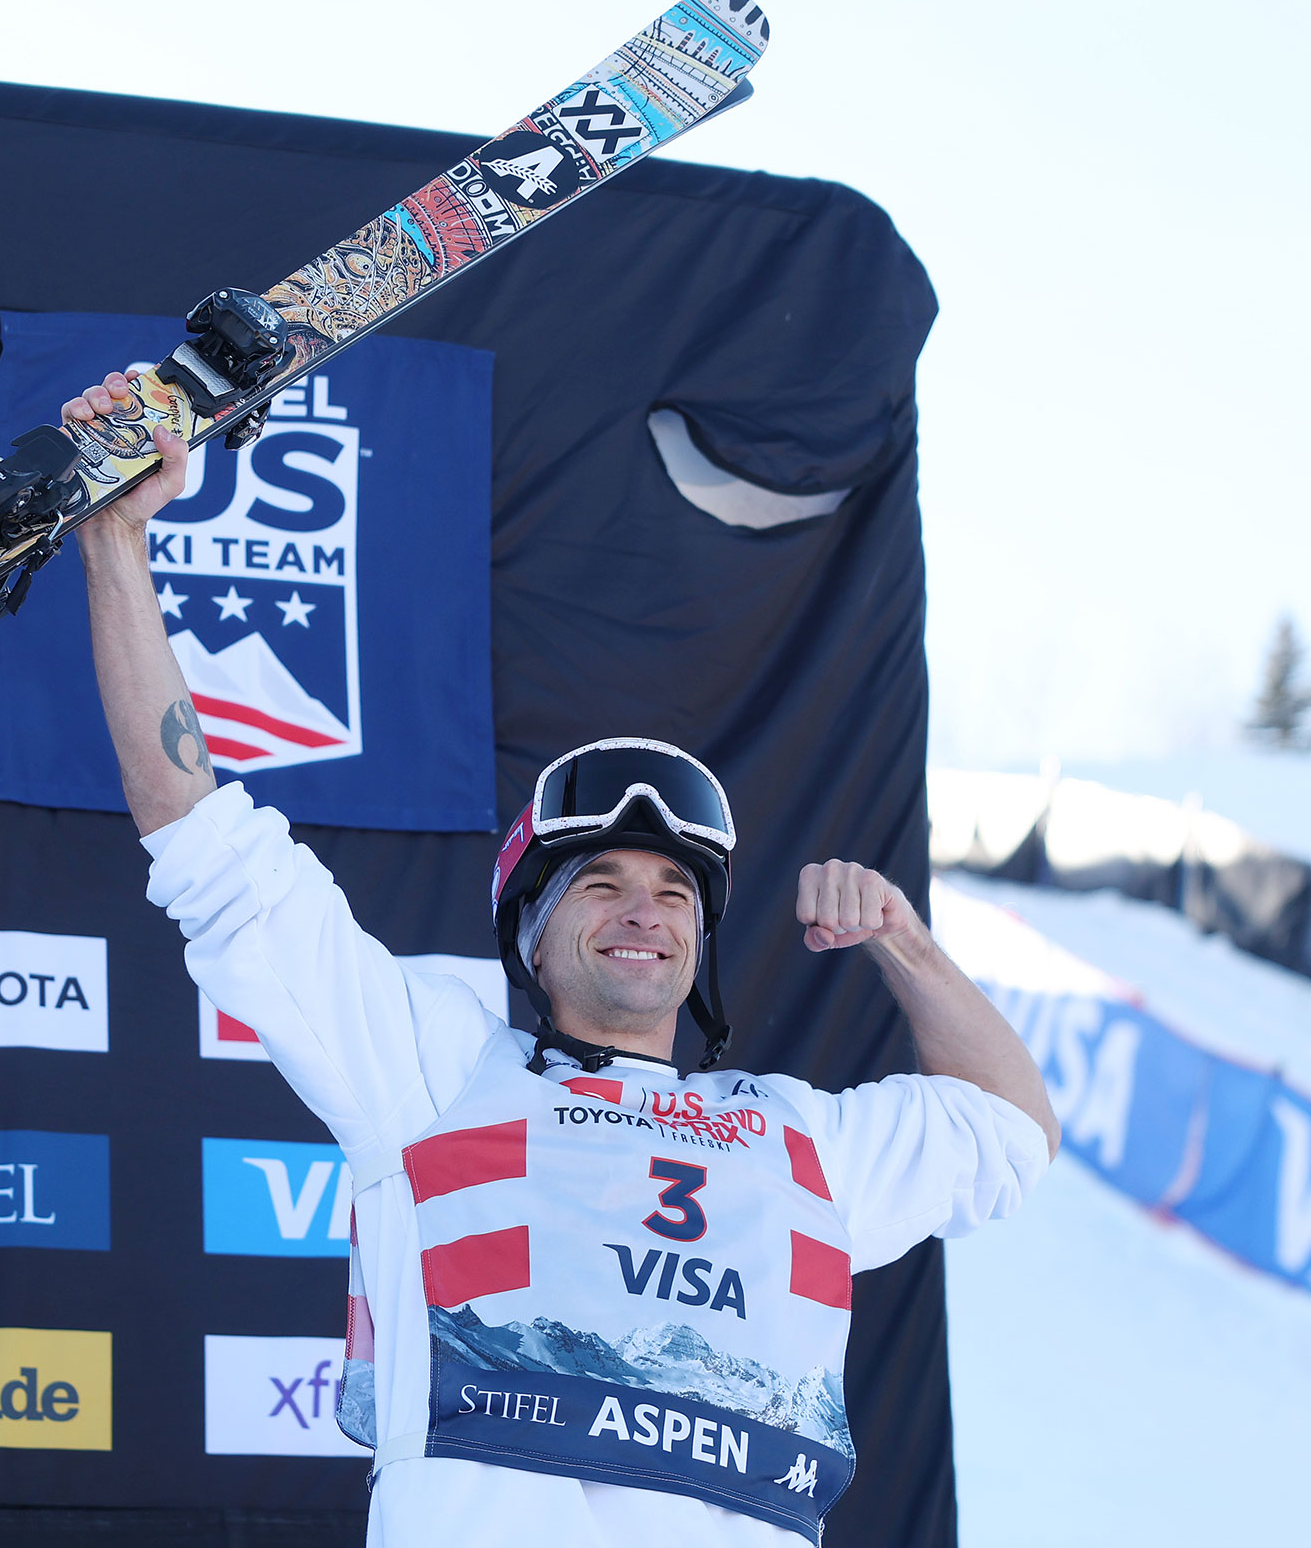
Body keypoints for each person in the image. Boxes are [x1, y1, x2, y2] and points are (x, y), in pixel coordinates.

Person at [65, 374, 1060, 1545]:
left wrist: (904, 941)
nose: (645, 910)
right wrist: (114, 542)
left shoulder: (800, 1140)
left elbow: (1012, 1130)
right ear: (531, 935)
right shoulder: (433, 1069)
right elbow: (209, 848)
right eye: (601, 883)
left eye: (675, 892)